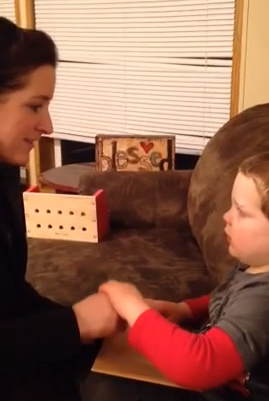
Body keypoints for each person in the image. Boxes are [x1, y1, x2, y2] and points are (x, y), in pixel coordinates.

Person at [0, 15, 122, 396]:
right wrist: (74, 325)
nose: (48, 125)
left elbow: (8, 292)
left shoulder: (5, 173)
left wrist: (75, 319)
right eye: (34, 107)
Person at [99, 151, 269, 401]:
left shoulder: (263, 300)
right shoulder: (254, 265)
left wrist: (132, 306)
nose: (227, 216)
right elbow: (229, 298)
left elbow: (199, 365)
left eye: (242, 212)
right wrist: (187, 309)